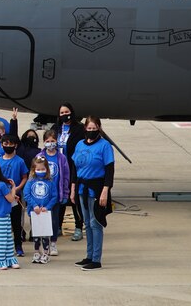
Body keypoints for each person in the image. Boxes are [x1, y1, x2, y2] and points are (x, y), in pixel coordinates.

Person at [72, 116, 114, 271]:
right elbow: (75, 168)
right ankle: (89, 255)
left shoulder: (105, 146)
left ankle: (96, 259)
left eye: (94, 128)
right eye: (88, 129)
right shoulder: (79, 144)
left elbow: (110, 170)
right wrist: (73, 188)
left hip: (96, 187)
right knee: (87, 223)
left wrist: (105, 190)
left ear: (99, 128)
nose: (91, 131)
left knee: (95, 223)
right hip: (82, 187)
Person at [51, 102, 86, 241]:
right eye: (62, 113)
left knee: (74, 197)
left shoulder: (79, 128)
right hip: (58, 167)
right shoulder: (56, 128)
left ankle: (78, 226)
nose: (64, 115)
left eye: (67, 112)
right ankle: (58, 226)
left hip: (73, 167)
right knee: (60, 198)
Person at [38, 129, 70, 256]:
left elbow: (66, 176)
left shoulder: (61, 158)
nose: (50, 143)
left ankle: (53, 243)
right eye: (47, 141)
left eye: (52, 141)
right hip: (42, 195)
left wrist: (65, 192)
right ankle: (43, 243)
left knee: (54, 220)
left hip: (56, 195)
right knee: (43, 220)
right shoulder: (40, 157)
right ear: (44, 142)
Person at [0, 134, 29, 256]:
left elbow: (24, 177)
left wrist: (18, 188)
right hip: (2, 197)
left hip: (16, 196)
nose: (8, 146)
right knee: (3, 224)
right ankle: (4, 247)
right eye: (6, 144)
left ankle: (18, 246)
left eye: (11, 144)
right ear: (2, 145)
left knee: (16, 223)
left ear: (15, 145)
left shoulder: (20, 161)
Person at [24, 156, 58, 264]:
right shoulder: (30, 181)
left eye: (43, 169)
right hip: (34, 212)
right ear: (33, 170)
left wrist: (47, 207)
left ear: (47, 169)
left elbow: (54, 196)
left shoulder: (50, 182)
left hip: (45, 212)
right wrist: (34, 205)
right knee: (36, 233)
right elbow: (27, 194)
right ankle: (36, 251)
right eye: (38, 169)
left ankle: (45, 252)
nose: (40, 171)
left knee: (45, 233)